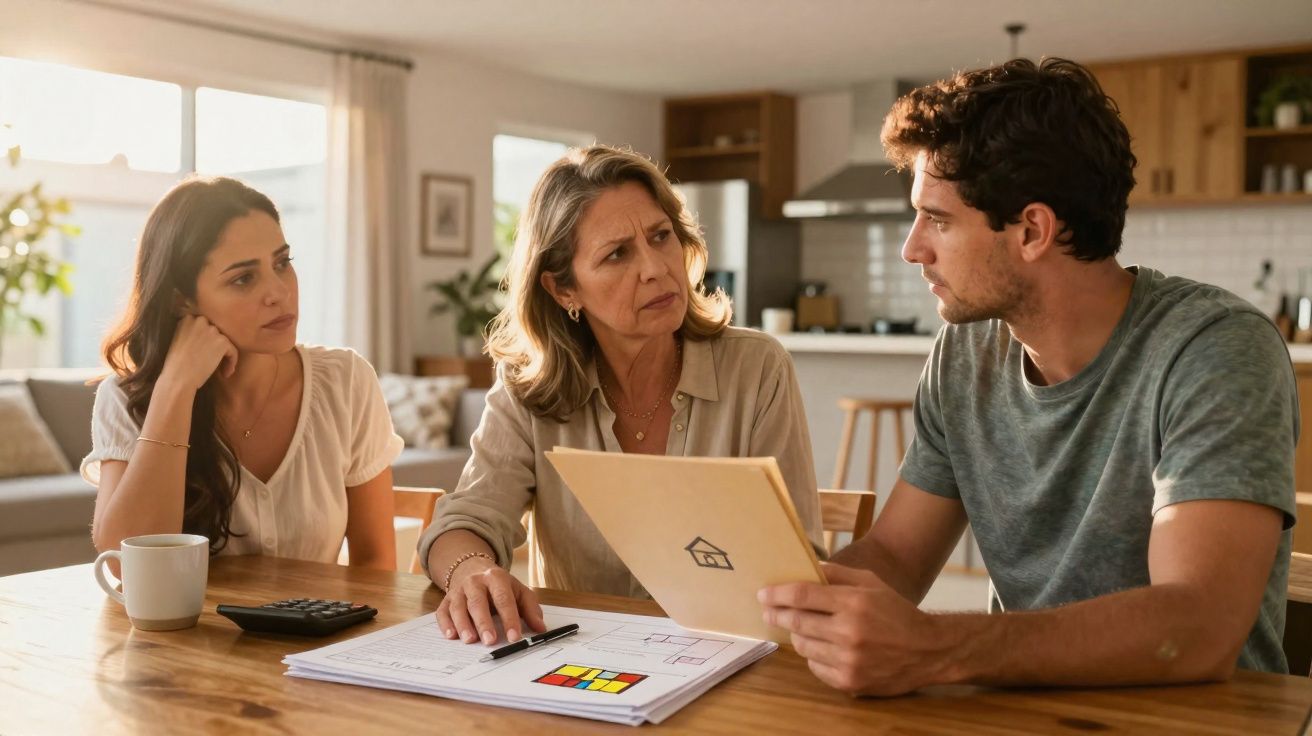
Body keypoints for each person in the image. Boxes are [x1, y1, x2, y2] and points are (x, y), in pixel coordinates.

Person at [760, 58, 1298, 694]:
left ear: (1033, 231)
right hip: (1020, 710)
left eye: (937, 218)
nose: (911, 248)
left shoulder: (1213, 349)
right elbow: (896, 558)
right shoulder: (963, 353)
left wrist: (936, 646)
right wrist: (779, 599)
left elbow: (1197, 624)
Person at [420, 145, 824, 646]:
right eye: (617, 254)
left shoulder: (758, 369)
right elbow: (461, 524)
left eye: (661, 237)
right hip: (583, 667)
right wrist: (471, 570)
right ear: (564, 289)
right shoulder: (529, 389)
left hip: (730, 659)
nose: (655, 268)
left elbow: (800, 563)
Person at [85, 176, 402, 569]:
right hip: (186, 632)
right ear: (181, 301)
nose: (279, 292)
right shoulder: (126, 396)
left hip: (324, 632)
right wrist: (176, 388)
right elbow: (122, 564)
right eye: (243, 278)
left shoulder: (346, 380)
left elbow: (375, 561)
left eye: (282, 263)